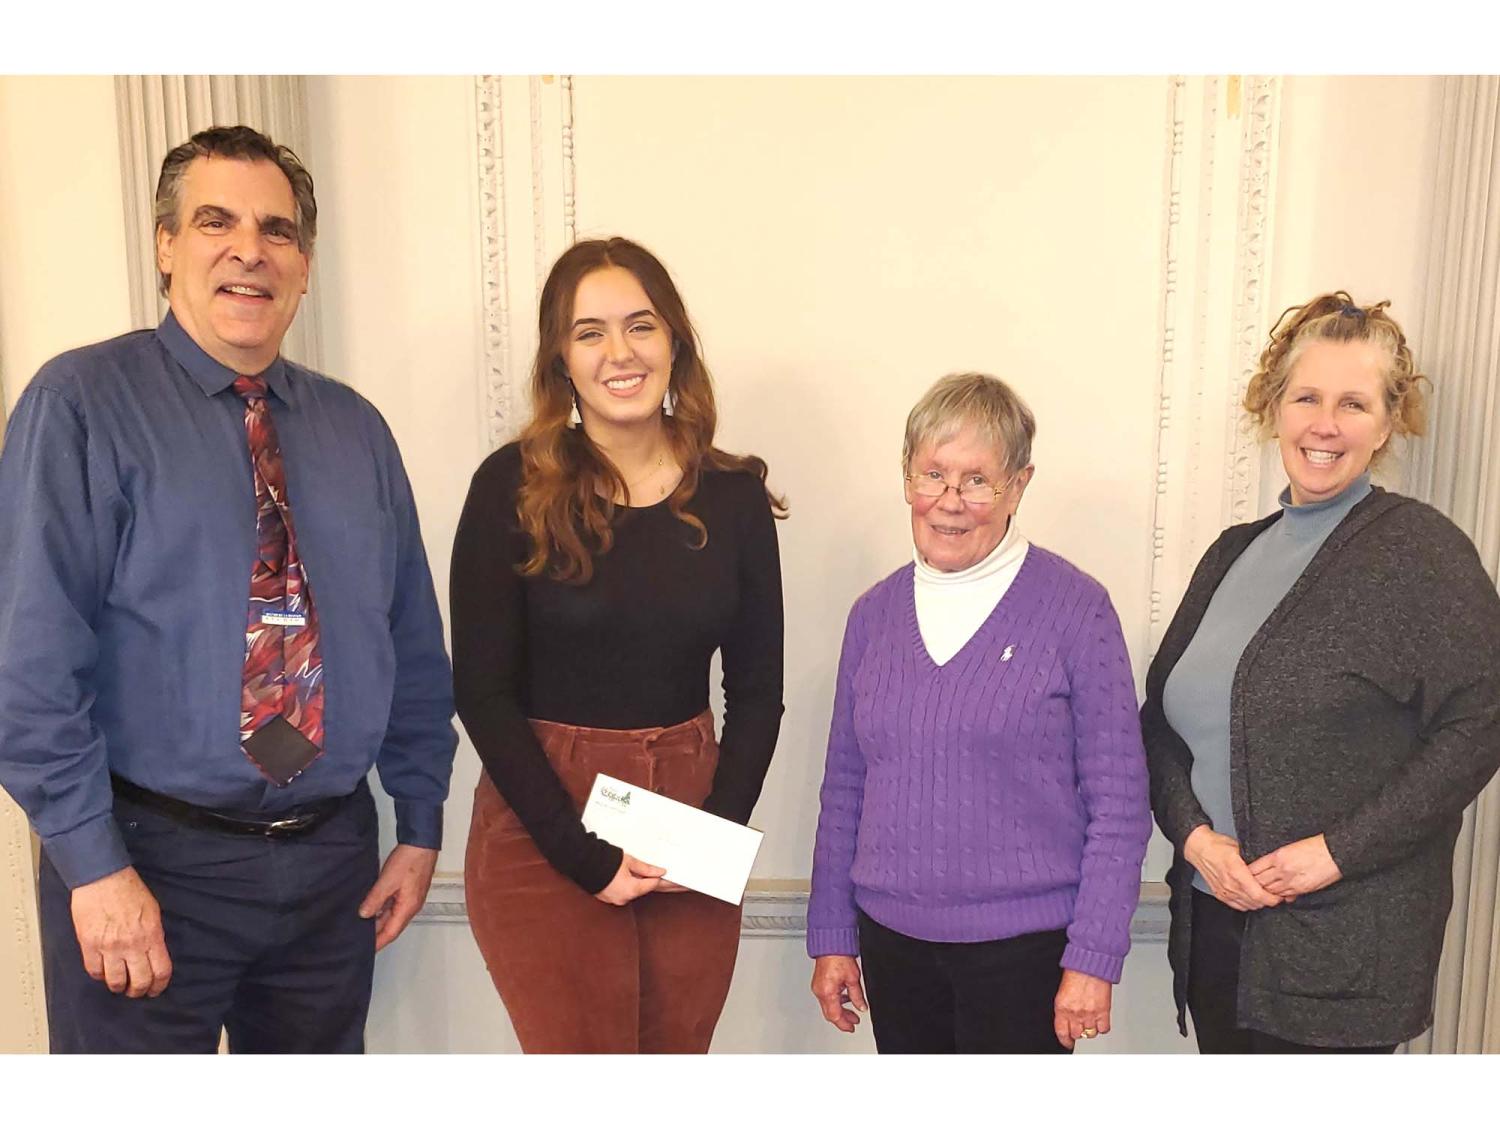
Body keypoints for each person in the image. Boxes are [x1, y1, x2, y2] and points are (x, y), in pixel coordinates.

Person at [0, 125, 457, 1053]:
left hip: (333, 863)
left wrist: (418, 820)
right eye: (216, 221)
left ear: (305, 263)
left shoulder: (355, 431)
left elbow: (409, 640)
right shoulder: (81, 404)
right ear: (166, 246)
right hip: (151, 861)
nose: (250, 249)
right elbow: (31, 660)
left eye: (277, 230)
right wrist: (94, 865)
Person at [451, 236, 785, 1053]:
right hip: (543, 818)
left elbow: (757, 691)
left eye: (641, 325)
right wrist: (582, 854)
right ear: (560, 357)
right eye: (589, 331)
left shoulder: (735, 496)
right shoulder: (508, 487)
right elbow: (482, 694)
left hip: (691, 804)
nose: (619, 352)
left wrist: (708, 837)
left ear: (675, 340)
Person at [1141, 291, 1500, 1052]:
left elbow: (1481, 720)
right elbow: (1160, 720)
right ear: (1273, 408)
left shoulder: (1420, 554)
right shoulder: (1231, 553)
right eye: (1306, 396)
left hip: (1343, 952)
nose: (1325, 424)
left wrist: (1338, 849)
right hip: (1214, 932)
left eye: (1353, 403)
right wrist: (1195, 835)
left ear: (1387, 422)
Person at [806, 372, 1151, 1053]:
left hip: (1025, 956)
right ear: (906, 478)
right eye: (932, 473)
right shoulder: (872, 616)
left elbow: (1121, 799)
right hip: (893, 944)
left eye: (977, 480)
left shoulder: (1076, 608)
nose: (950, 501)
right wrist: (832, 936)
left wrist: (1095, 954)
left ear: (1018, 486)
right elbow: (845, 788)